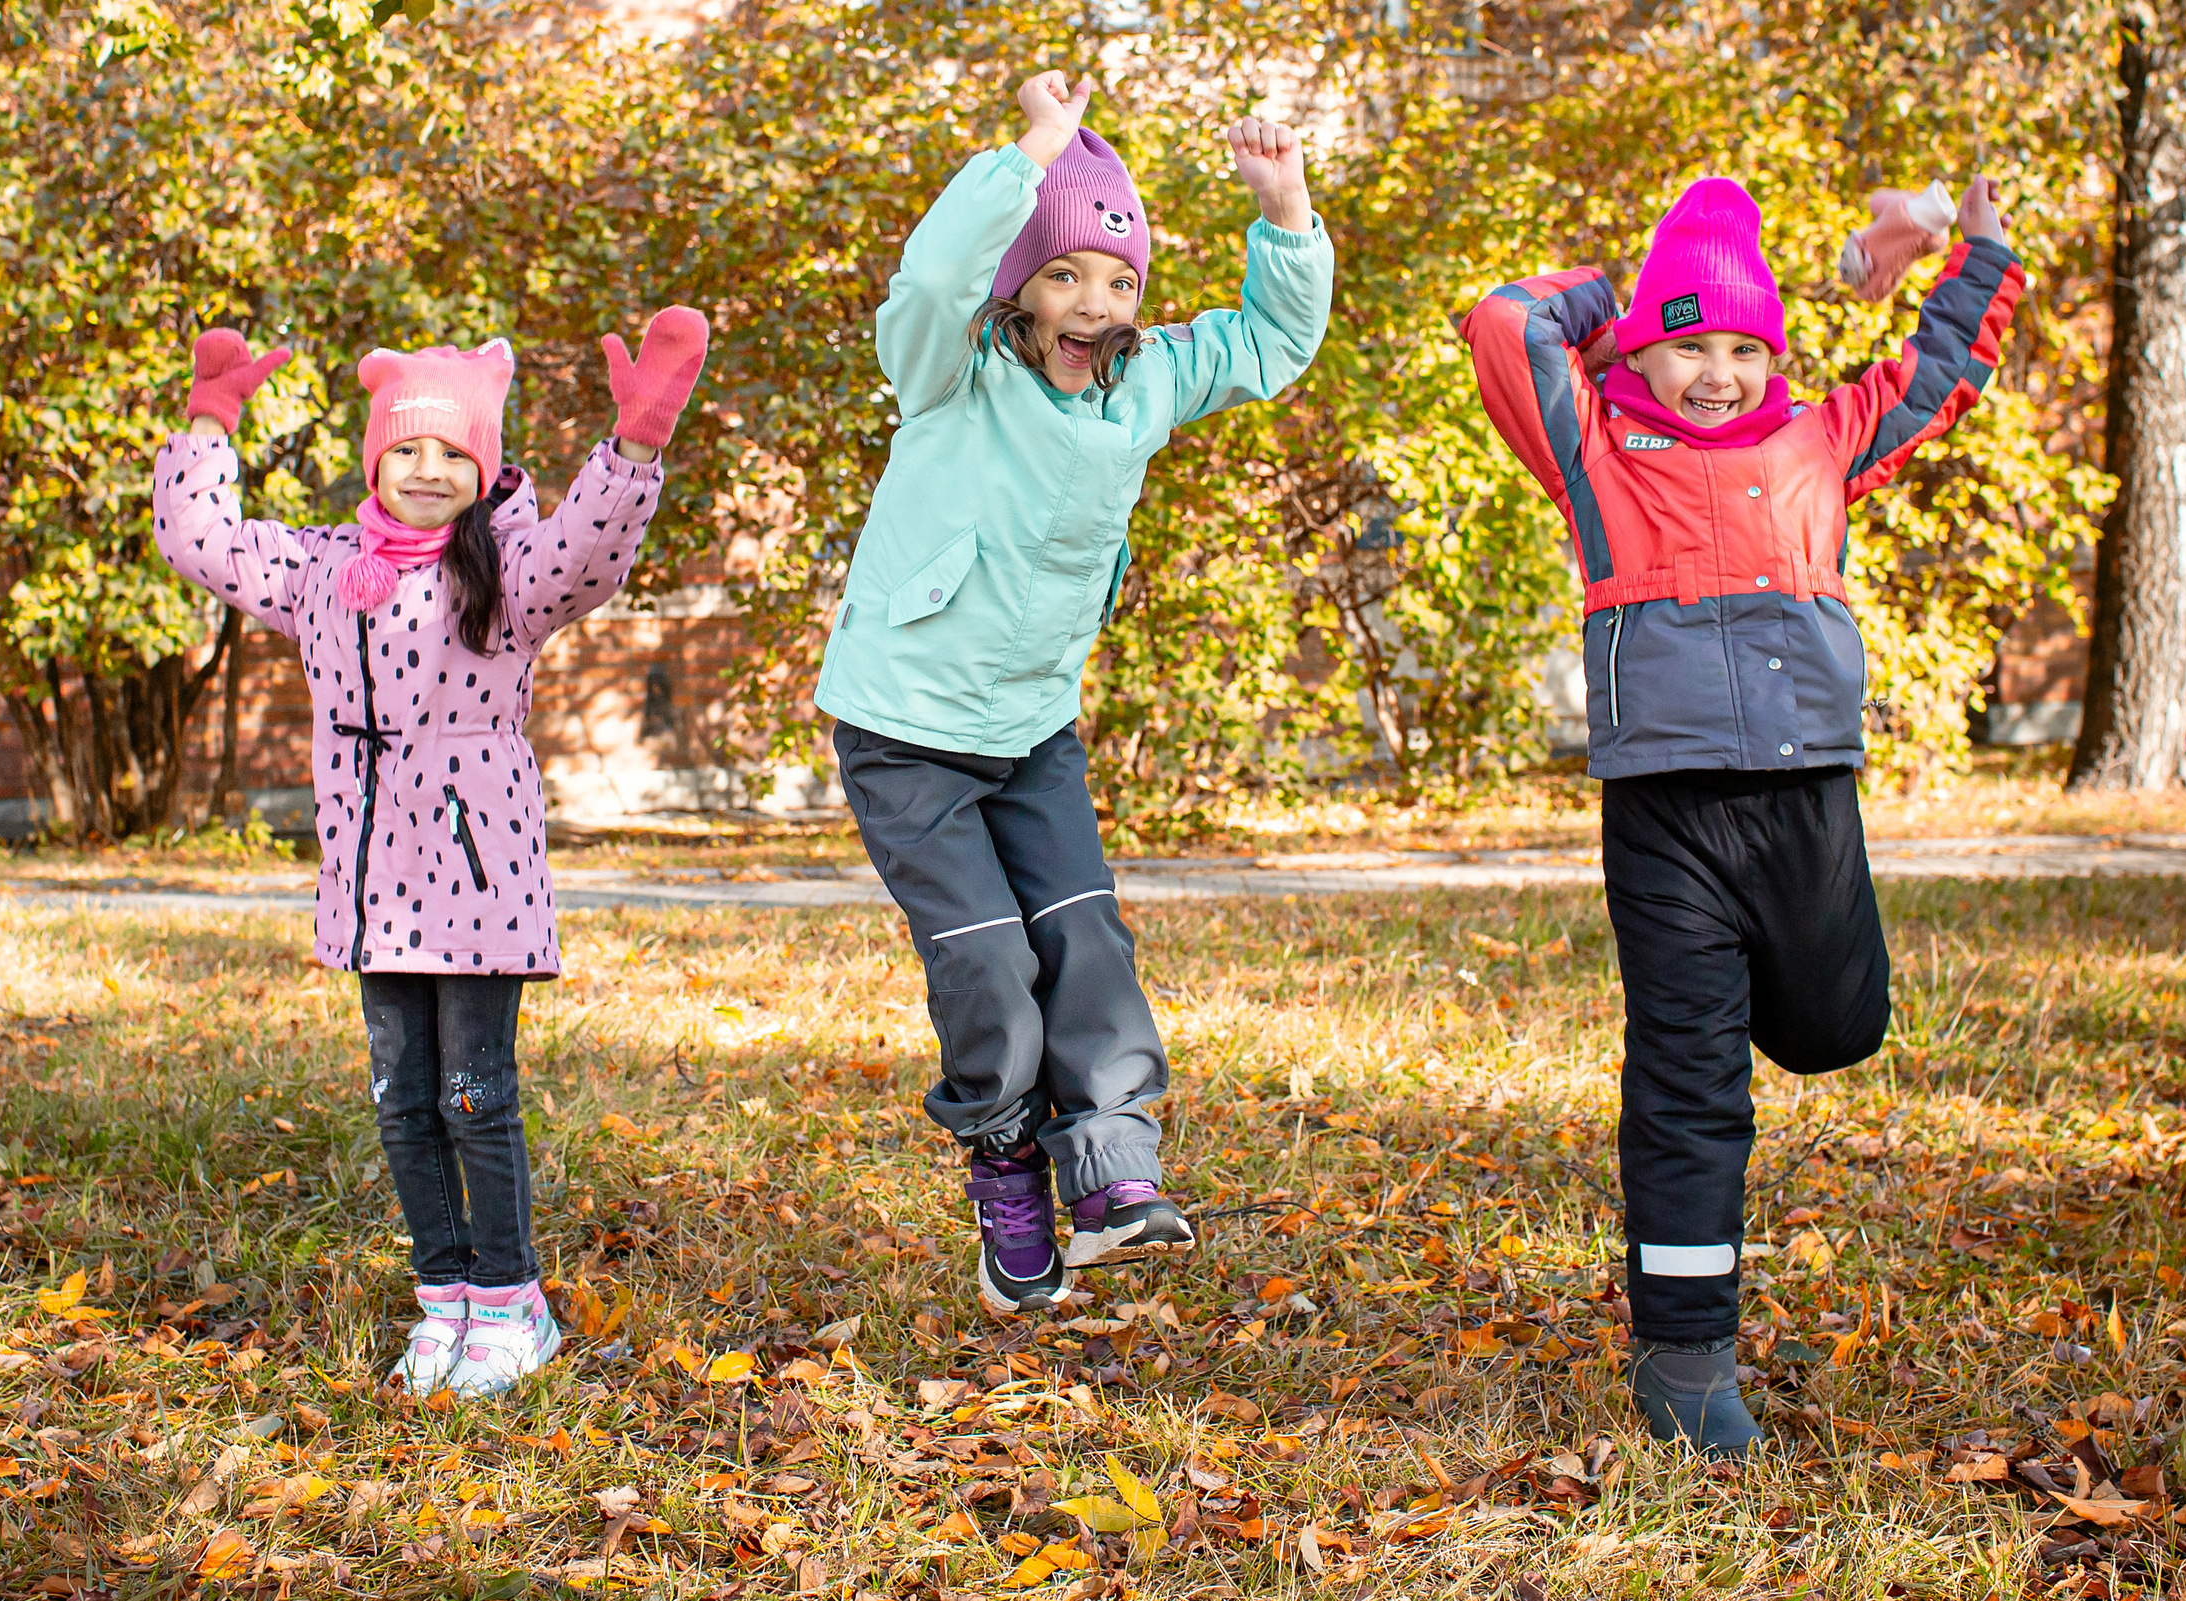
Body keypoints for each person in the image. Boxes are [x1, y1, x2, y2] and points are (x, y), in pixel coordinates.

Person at [1463, 174, 2022, 1452]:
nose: (1713, 373)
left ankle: (1791, 1009)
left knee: (1835, 1027)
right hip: (1664, 817)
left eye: (1737, 347)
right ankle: (1685, 1354)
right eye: (1685, 346)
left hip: (1806, 799)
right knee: (1685, 1075)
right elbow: (1504, 321)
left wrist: (1969, 244)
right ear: (1642, 351)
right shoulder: (1595, 448)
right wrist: (1608, 313)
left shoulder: (1818, 440)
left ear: (1769, 353)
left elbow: (1937, 370)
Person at [812, 70, 1335, 1314]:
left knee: (1084, 939)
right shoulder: (951, 368)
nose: (1094, 304)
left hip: (1032, 722)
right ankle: (1005, 1164)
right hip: (905, 729)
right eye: (1065, 276)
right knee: (990, 964)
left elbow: (1266, 345)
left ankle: (1109, 1170)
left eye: (1119, 279)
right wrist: (1030, 150)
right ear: (1020, 286)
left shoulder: (1144, 380)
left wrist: (1287, 217)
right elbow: (931, 279)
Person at [152, 311, 708, 1396]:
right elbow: (207, 545)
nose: (425, 467)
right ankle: (444, 1300)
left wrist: (635, 442)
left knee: (472, 1094)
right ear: (373, 457)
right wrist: (211, 421)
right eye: (405, 446)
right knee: (400, 1099)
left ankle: (511, 1302)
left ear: (483, 466)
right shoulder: (323, 569)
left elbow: (589, 551)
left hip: (475, 874)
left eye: (453, 450)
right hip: (370, 882)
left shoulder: (503, 578)